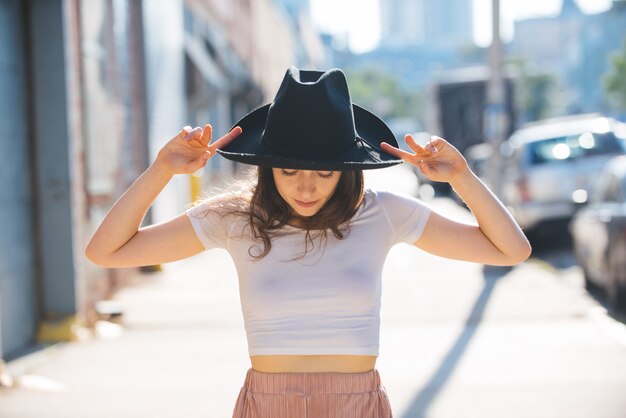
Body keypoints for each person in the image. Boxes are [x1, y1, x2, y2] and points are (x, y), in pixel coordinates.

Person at [86, 67, 531, 418]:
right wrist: (162, 169)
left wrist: (462, 178)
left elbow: (510, 250)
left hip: (355, 405)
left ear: (347, 168)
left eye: (323, 172)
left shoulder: (383, 213)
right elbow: (106, 251)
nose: (306, 188)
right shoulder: (235, 218)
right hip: (268, 405)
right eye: (288, 170)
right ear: (266, 166)